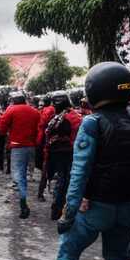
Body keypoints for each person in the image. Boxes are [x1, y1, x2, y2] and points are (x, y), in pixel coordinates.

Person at [14, 62, 130, 260]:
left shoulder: (93, 122)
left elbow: (79, 172)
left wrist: (69, 212)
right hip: (126, 206)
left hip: (95, 206)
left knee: (67, 252)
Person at [0, 91, 40, 219]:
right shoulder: (35, 111)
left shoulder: (11, 110)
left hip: (17, 147)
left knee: (19, 176)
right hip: (31, 146)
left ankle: (23, 204)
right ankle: (25, 199)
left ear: (13, 101)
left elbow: (1, 129)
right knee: (25, 174)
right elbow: (40, 129)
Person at [44, 91, 82, 220]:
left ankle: (57, 208)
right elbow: (78, 138)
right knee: (69, 181)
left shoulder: (56, 117)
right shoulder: (74, 117)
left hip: (57, 153)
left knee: (62, 180)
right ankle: (63, 209)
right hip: (70, 153)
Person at [36, 94, 56, 201]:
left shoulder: (44, 111)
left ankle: (41, 192)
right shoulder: (51, 111)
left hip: (45, 142)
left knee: (46, 168)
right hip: (50, 143)